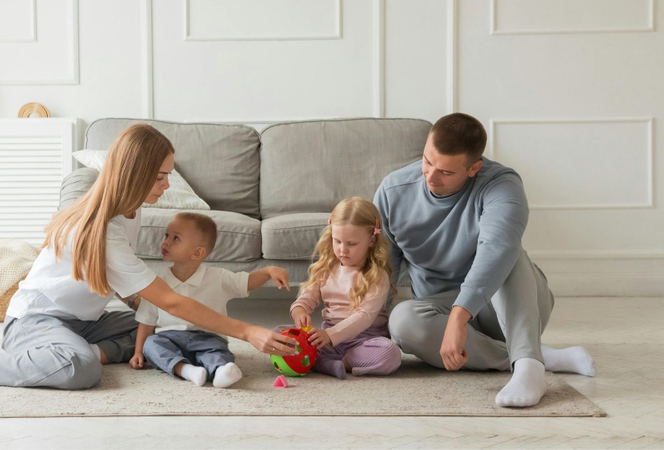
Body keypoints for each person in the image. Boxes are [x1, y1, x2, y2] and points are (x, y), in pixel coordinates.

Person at [0, 124, 297, 389]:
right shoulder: (103, 227)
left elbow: (137, 296)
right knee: (81, 369)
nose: (166, 184)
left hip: (84, 323)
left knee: (159, 330)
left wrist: (142, 309)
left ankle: (81, 349)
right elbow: (172, 299)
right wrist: (247, 331)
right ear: (135, 173)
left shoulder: (131, 209)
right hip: (33, 322)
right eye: (161, 176)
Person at [375, 113, 595, 407]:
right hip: (438, 311)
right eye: (427, 161)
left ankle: (529, 367)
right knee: (402, 321)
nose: (430, 176)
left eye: (445, 171)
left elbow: (498, 247)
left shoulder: (502, 184)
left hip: (507, 305)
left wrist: (459, 315)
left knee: (509, 253)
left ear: (473, 168)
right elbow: (380, 267)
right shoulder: (393, 190)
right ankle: (535, 355)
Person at [130, 213, 291, 388]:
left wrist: (268, 271)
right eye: (166, 235)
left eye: (176, 238)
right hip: (170, 338)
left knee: (217, 351)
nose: (166, 242)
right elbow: (146, 322)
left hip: (208, 337)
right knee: (151, 344)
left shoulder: (218, 278)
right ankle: (186, 370)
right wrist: (138, 352)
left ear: (198, 252)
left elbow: (247, 282)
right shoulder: (157, 285)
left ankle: (222, 370)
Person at [287, 197, 402, 380]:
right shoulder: (325, 268)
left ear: (371, 240)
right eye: (337, 241)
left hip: (365, 339)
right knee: (280, 334)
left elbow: (364, 317)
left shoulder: (377, 276)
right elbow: (306, 298)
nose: (342, 250)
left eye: (351, 244)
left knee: (390, 354)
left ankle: (335, 363)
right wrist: (299, 312)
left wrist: (330, 335)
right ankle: (326, 359)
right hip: (328, 337)